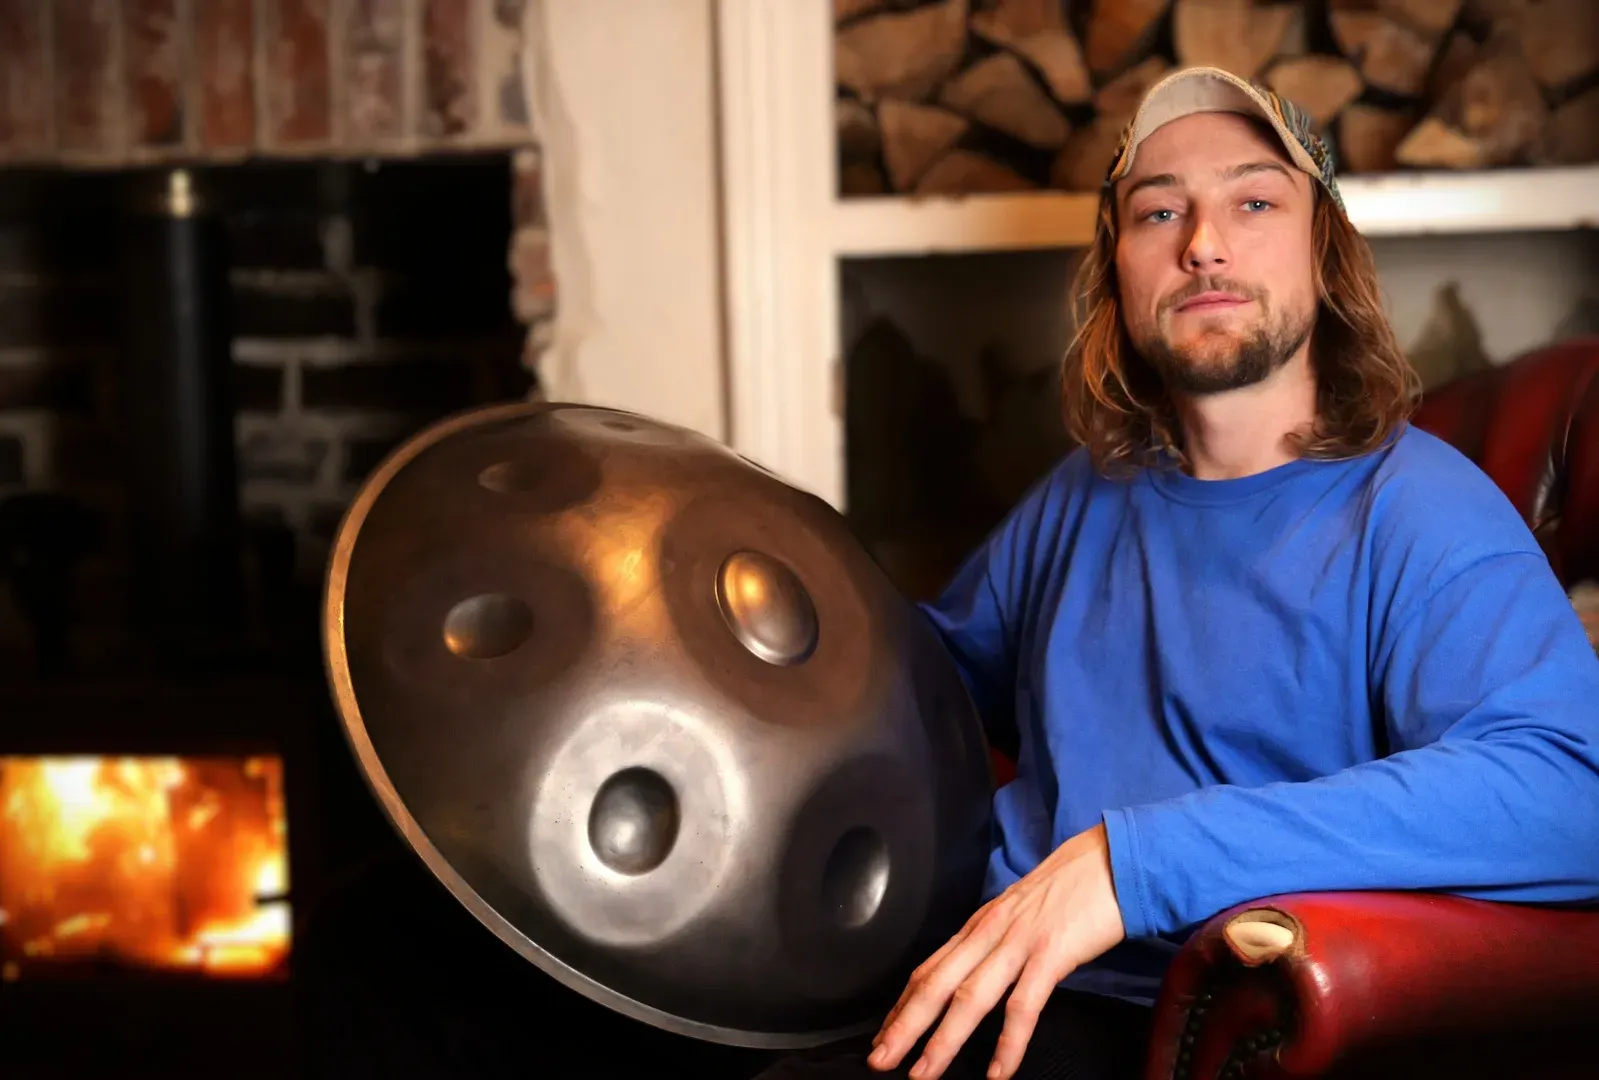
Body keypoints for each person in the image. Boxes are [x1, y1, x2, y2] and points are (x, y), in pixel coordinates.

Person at [755, 65, 1599, 1080]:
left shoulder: (1419, 510)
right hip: (968, 963)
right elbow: (927, 678)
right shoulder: (1088, 490)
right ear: (1117, 268)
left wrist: (1135, 863)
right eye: (1159, 211)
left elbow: (1572, 791)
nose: (1203, 243)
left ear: (1324, 254)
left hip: (1160, 1027)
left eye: (1253, 200)